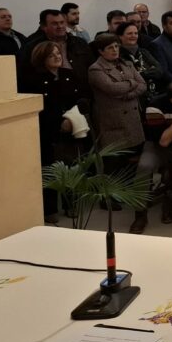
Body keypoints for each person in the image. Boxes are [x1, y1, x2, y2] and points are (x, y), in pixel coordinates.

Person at [26, 41, 88, 221]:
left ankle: (71, 204)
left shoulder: (68, 74)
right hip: (48, 130)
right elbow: (39, 108)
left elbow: (81, 98)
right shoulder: (33, 80)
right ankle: (50, 209)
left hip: (72, 127)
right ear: (41, 59)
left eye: (58, 53)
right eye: (51, 55)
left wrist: (74, 117)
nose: (57, 57)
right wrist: (60, 123)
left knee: (72, 167)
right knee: (50, 168)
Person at [130, 80, 172, 233]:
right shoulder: (154, 107)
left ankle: (171, 200)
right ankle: (140, 213)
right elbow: (163, 141)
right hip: (156, 146)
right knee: (145, 166)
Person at [87, 34, 146, 155]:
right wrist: (132, 82)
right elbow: (112, 88)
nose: (115, 50)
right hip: (114, 122)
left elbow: (143, 85)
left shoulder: (127, 64)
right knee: (118, 158)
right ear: (101, 51)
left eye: (116, 46)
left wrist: (128, 94)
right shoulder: (96, 69)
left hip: (133, 119)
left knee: (137, 157)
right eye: (110, 48)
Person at [116, 21, 166, 101]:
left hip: (154, 93)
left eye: (136, 33)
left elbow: (159, 71)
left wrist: (141, 74)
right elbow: (128, 78)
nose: (133, 36)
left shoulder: (144, 52)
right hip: (134, 97)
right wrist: (149, 71)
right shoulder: (118, 56)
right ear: (120, 36)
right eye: (129, 33)